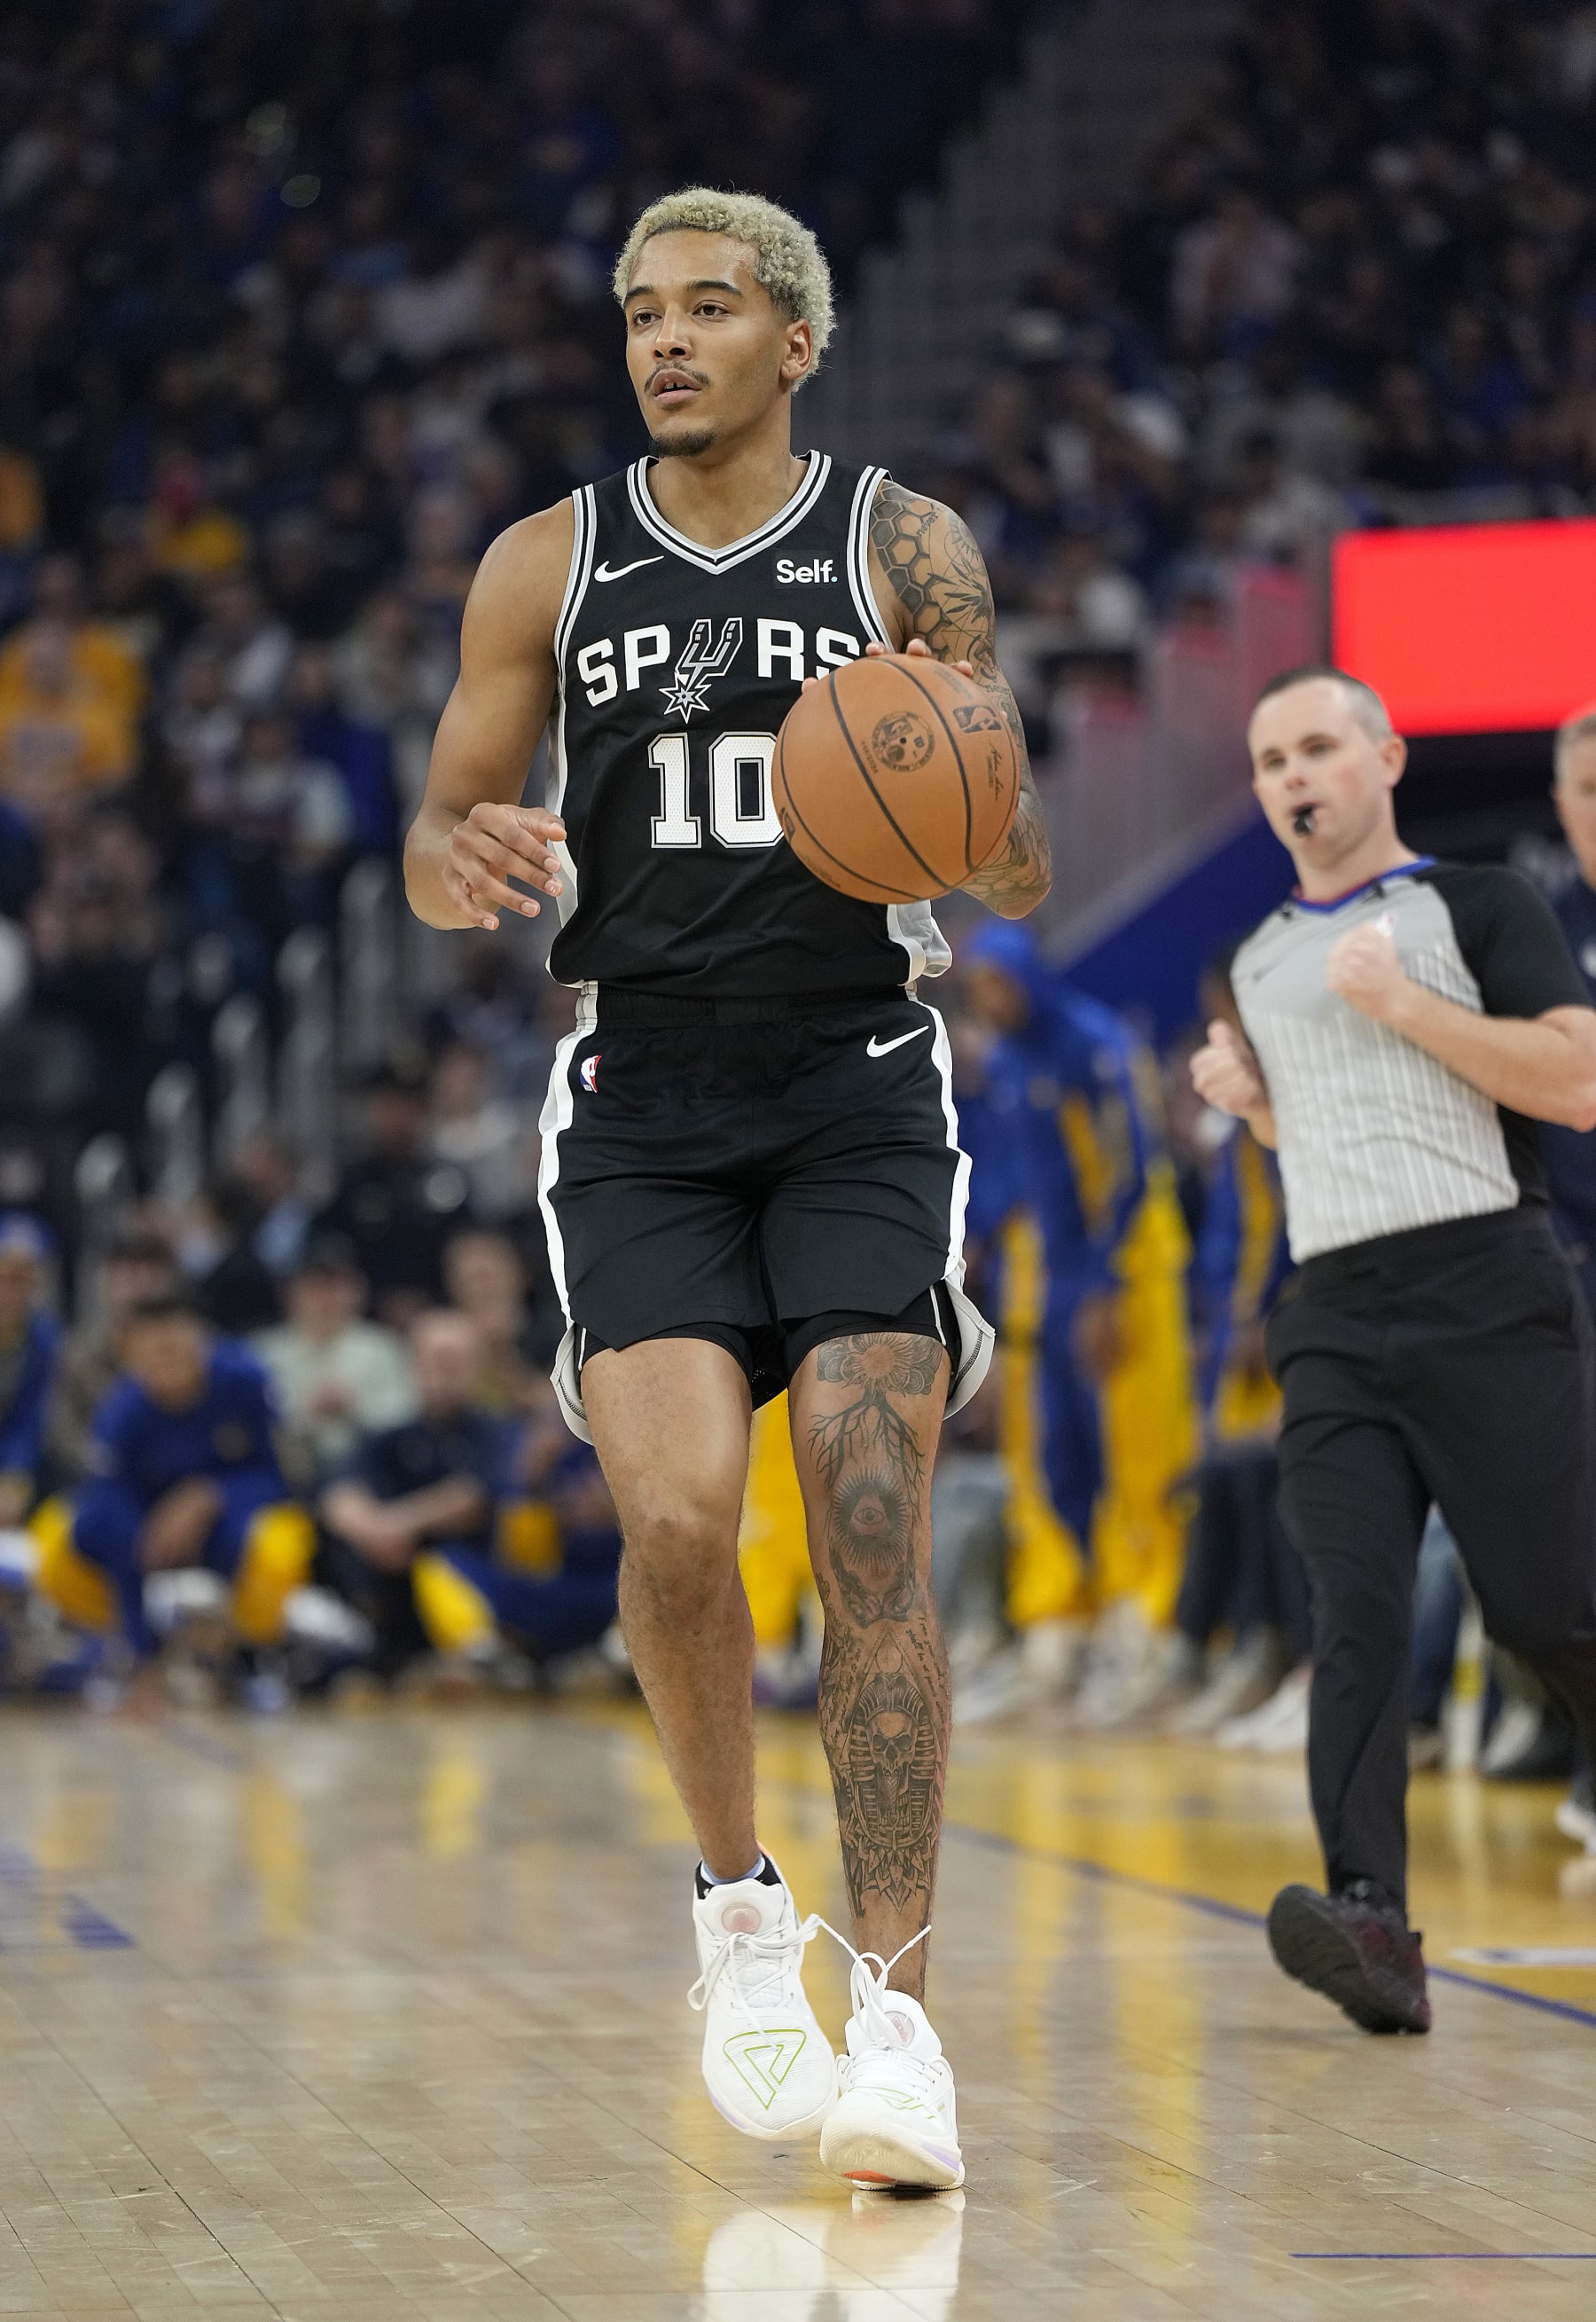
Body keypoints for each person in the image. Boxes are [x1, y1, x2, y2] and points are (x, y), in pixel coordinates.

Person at [403, 186, 1052, 2192]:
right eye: (638, 313)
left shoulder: (901, 548)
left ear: (798, 341)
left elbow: (1005, 851)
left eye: (708, 308)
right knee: (681, 1521)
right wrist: (461, 864)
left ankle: (907, 2026)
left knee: (869, 1517)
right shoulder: (546, 565)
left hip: (857, 1075)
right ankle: (738, 1908)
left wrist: (955, 798)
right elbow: (443, 831)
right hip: (645, 1092)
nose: (665, 340)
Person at [1191, 665, 1596, 2036]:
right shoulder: (1250, 959)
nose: (1294, 776)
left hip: (1486, 1277)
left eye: (1319, 746)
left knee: (1551, 1605)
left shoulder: (1480, 905)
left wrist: (1407, 1004)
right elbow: (1336, 1134)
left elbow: (1579, 1082)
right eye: (1270, 760)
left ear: (1386, 756)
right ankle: (1372, 1919)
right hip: (1332, 1308)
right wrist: (1256, 1109)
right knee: (1350, 1614)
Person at [957, 922, 1198, 1728]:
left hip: (1125, 1267)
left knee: (1141, 1448)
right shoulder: (1008, 1060)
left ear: (1029, 976)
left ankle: (1157, 1627)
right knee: (1054, 1455)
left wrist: (1103, 1283)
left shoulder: (1095, 1044)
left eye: (999, 983)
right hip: (1051, 1275)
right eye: (979, 986)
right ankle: (1072, 1626)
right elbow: (1013, 1177)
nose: (988, 999)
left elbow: (1132, 1163)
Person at [37, 1296, 313, 1665]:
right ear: (131, 1357)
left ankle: (251, 1654)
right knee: (62, 1538)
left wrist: (212, 1494)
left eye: (178, 1350)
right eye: (155, 1354)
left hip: (228, 1522)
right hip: (147, 1531)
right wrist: (141, 1649)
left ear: (203, 1341)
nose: (169, 1365)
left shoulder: (248, 1381)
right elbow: (110, 1509)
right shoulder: (120, 1414)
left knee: (281, 1544)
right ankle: (119, 1647)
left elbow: (286, 1477)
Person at [318, 1308, 506, 1677]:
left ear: (476, 1369)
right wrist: (372, 1530)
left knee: (444, 1571)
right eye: (433, 1362)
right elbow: (339, 1494)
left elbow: (471, 1499)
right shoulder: (392, 1436)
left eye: (454, 1363)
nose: (443, 1374)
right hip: (390, 1578)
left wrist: (398, 1524)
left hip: (473, 1576)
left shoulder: (496, 1433)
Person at [253, 1236, 416, 1479]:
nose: (326, 1298)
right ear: (292, 1293)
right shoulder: (264, 1353)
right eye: (315, 1287)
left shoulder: (382, 1346)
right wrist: (307, 1413)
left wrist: (355, 1408)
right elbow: (256, 1427)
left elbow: (406, 1421)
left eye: (336, 1286)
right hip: (290, 1476)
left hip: (371, 1474)